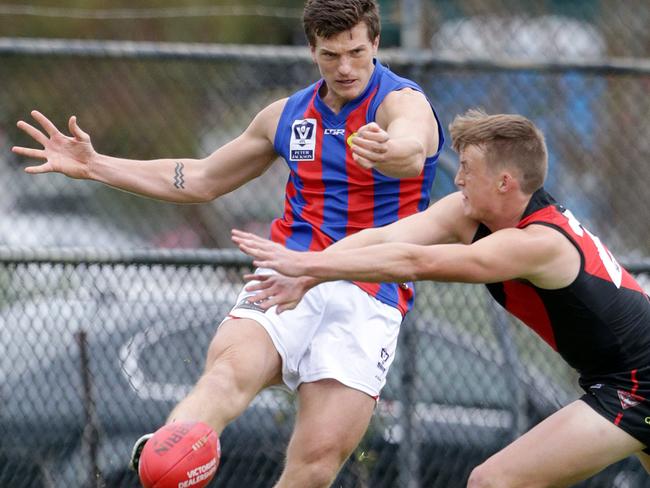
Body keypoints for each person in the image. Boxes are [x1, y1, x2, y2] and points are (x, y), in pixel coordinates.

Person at [12, 1, 443, 486]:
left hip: (368, 288)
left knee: (316, 461)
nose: (345, 67)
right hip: (286, 270)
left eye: (356, 52)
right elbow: (200, 178)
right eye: (330, 55)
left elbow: (413, 148)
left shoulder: (401, 102)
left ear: (376, 44)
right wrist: (96, 165)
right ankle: (169, 453)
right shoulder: (285, 115)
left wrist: (390, 149)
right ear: (311, 50)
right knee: (227, 373)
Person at [232, 109, 650, 487]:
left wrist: (307, 270)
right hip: (617, 380)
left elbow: (415, 261)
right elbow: (385, 238)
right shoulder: (468, 214)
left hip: (638, 386)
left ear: (505, 182)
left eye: (468, 169)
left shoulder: (540, 244)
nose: (458, 178)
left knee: (492, 482)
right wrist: (306, 269)